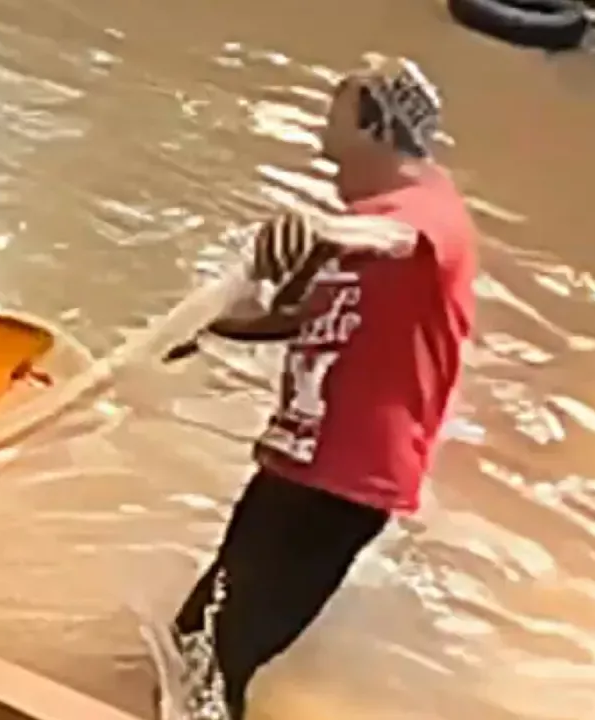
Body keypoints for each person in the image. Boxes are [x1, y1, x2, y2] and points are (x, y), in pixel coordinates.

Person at [163, 54, 478, 720]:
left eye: (335, 116)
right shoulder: (356, 226)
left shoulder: (428, 213)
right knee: (195, 643)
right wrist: (205, 324)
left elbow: (397, 238)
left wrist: (322, 229)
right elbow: (298, 316)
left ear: (376, 128)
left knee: (219, 654)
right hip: (299, 462)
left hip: (349, 479)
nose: (322, 139)